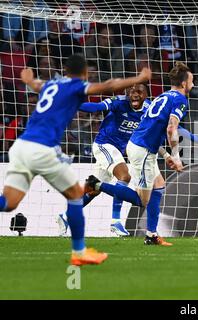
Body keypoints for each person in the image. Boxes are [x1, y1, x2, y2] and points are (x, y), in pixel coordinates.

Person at [0, 54, 151, 265]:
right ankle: (81, 252)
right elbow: (110, 84)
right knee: (75, 194)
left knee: (8, 203)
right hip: (43, 149)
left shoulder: (53, 84)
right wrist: (139, 77)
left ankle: (68, 222)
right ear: (84, 73)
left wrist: (27, 80)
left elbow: (36, 85)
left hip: (21, 146)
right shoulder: (76, 86)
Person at [57, 83, 198, 237]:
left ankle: (66, 216)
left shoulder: (149, 109)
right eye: (131, 91)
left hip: (123, 150)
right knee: (125, 176)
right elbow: (96, 107)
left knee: (94, 191)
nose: (135, 94)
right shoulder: (119, 102)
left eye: (139, 92)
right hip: (105, 145)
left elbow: (169, 129)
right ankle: (116, 222)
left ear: (146, 95)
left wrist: (192, 142)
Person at [84, 62, 194, 246]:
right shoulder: (181, 100)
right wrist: (175, 155)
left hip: (142, 146)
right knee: (143, 200)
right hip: (142, 150)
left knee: (159, 185)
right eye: (191, 81)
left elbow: (150, 125)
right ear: (183, 84)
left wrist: (165, 156)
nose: (193, 85)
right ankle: (97, 185)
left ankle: (151, 234)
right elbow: (171, 129)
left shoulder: (163, 96)